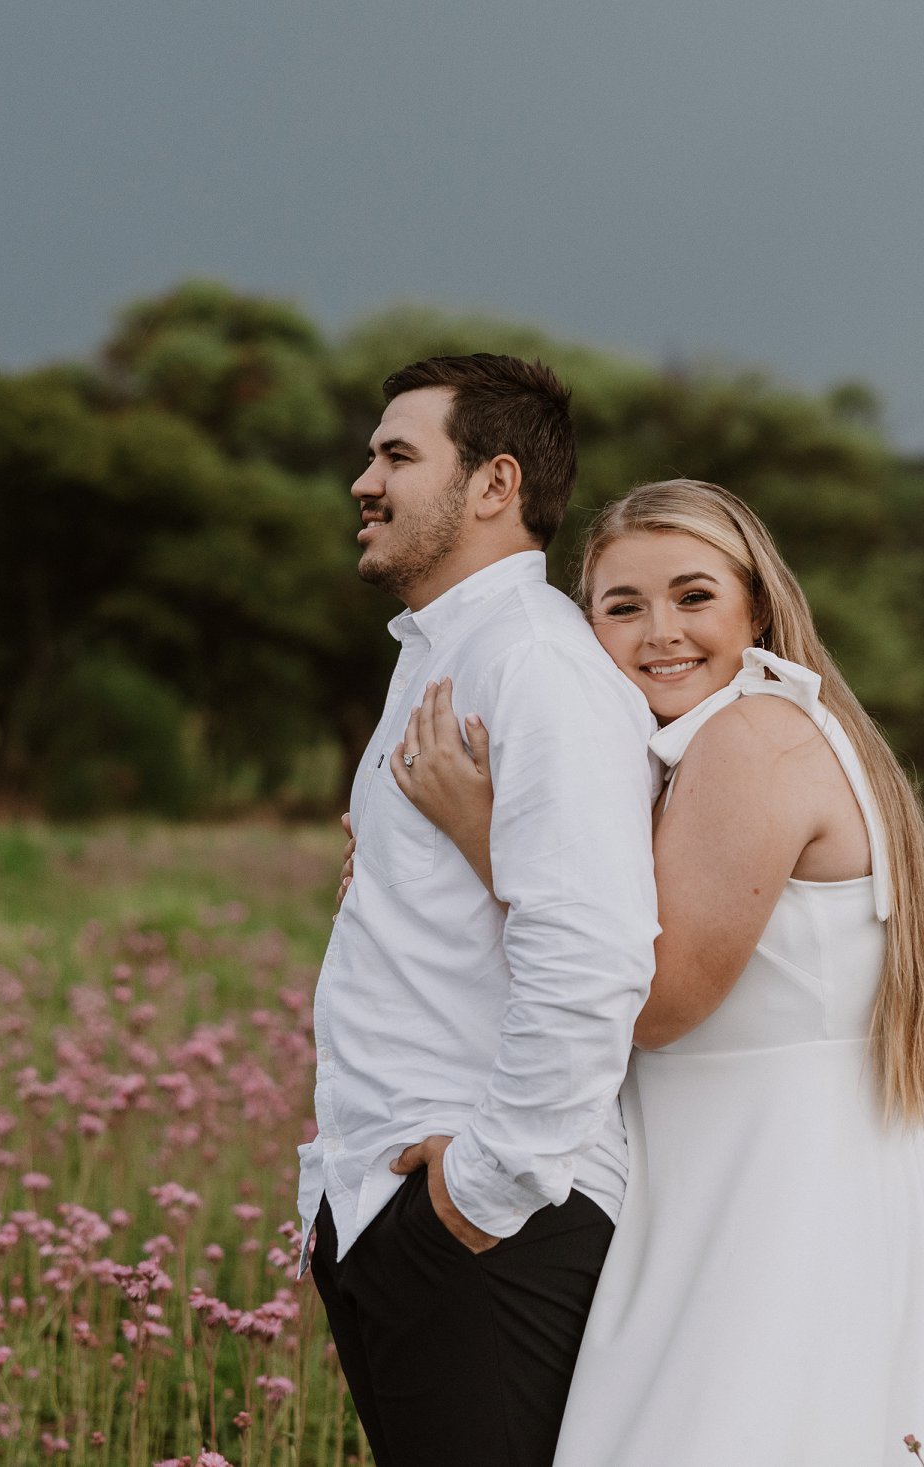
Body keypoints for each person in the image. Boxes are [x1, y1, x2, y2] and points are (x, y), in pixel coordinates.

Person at [390, 479, 924, 1464]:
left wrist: (481, 833)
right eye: (622, 606)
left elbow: (655, 1002)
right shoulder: (710, 747)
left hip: (768, 1211)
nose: (660, 631)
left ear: (756, 606)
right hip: (756, 1190)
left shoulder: (754, 737)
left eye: (693, 596)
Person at [299, 354, 660, 1467]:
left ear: (496, 483)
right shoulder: (440, 654)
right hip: (389, 1200)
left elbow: (592, 947)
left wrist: (484, 1185)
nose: (363, 481)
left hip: (485, 1223)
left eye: (398, 456)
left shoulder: (536, 664)